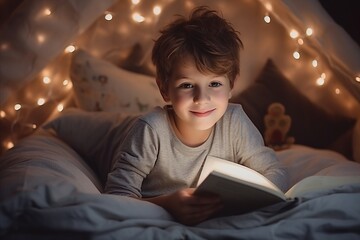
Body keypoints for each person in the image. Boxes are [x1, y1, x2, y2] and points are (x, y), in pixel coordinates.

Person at [105, 6, 288, 225]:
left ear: (231, 86)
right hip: (113, 138)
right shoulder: (150, 130)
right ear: (164, 89)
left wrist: (263, 196)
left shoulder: (235, 122)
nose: (202, 98)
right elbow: (117, 196)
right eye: (187, 85)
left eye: (214, 83)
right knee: (75, 124)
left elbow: (275, 171)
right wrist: (167, 203)